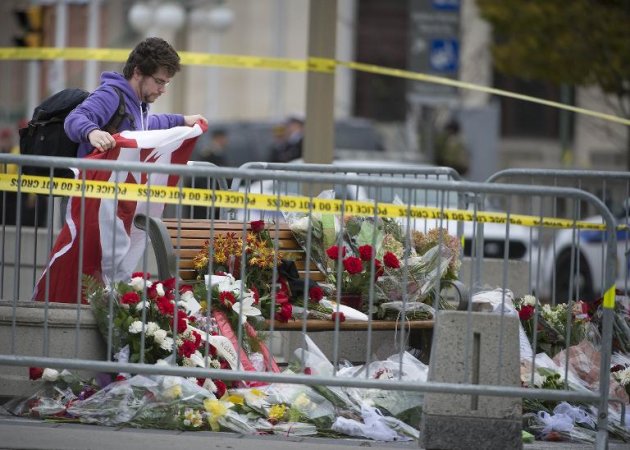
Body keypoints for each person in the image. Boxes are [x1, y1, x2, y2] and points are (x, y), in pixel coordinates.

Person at [65, 37, 207, 157]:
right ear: (138, 72)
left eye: (166, 83)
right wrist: (92, 132)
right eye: (159, 82)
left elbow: (149, 124)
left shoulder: (138, 105)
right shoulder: (111, 95)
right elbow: (74, 118)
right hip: (92, 187)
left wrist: (183, 120)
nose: (162, 90)